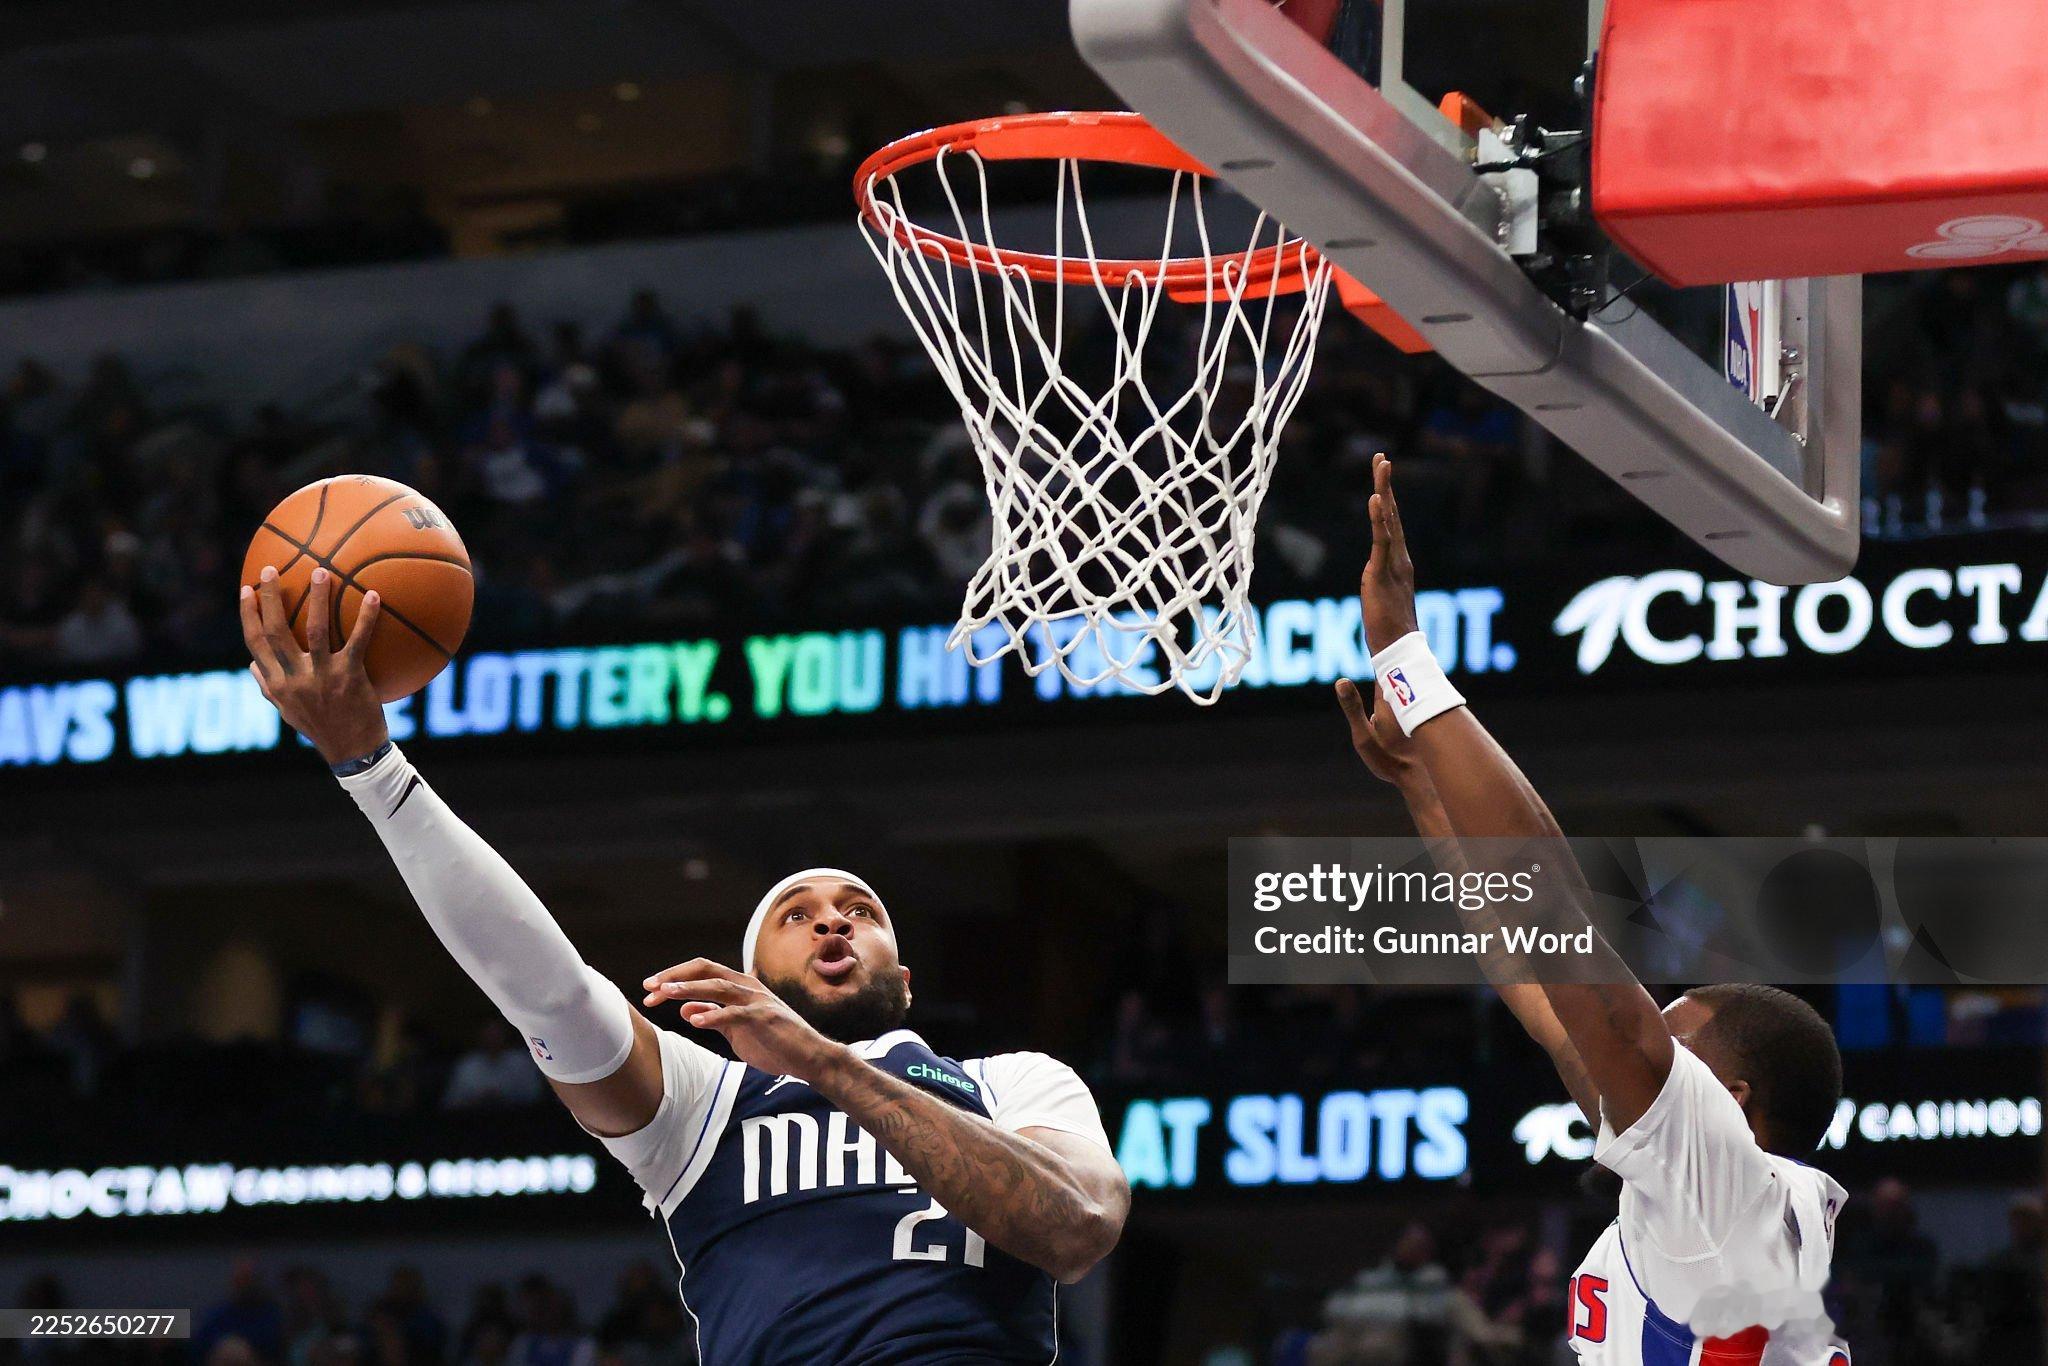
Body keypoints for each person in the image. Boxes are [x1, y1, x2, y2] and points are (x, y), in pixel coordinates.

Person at [239, 564, 1128, 1365]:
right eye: (797, 915)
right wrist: (372, 769)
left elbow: (1076, 1229)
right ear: (747, 987)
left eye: (862, 912)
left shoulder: (1014, 1083)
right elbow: (545, 990)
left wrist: (824, 1063)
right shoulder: (703, 1106)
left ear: (905, 979)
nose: (832, 922)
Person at [1334, 454, 1849, 1364]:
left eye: (1668, 1037)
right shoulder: (1702, 1200)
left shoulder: (1725, 1186)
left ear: (1732, 1104)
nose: (1642, 1036)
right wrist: (1423, 791)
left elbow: (1556, 915)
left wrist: (1405, 662)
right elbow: (1536, 985)